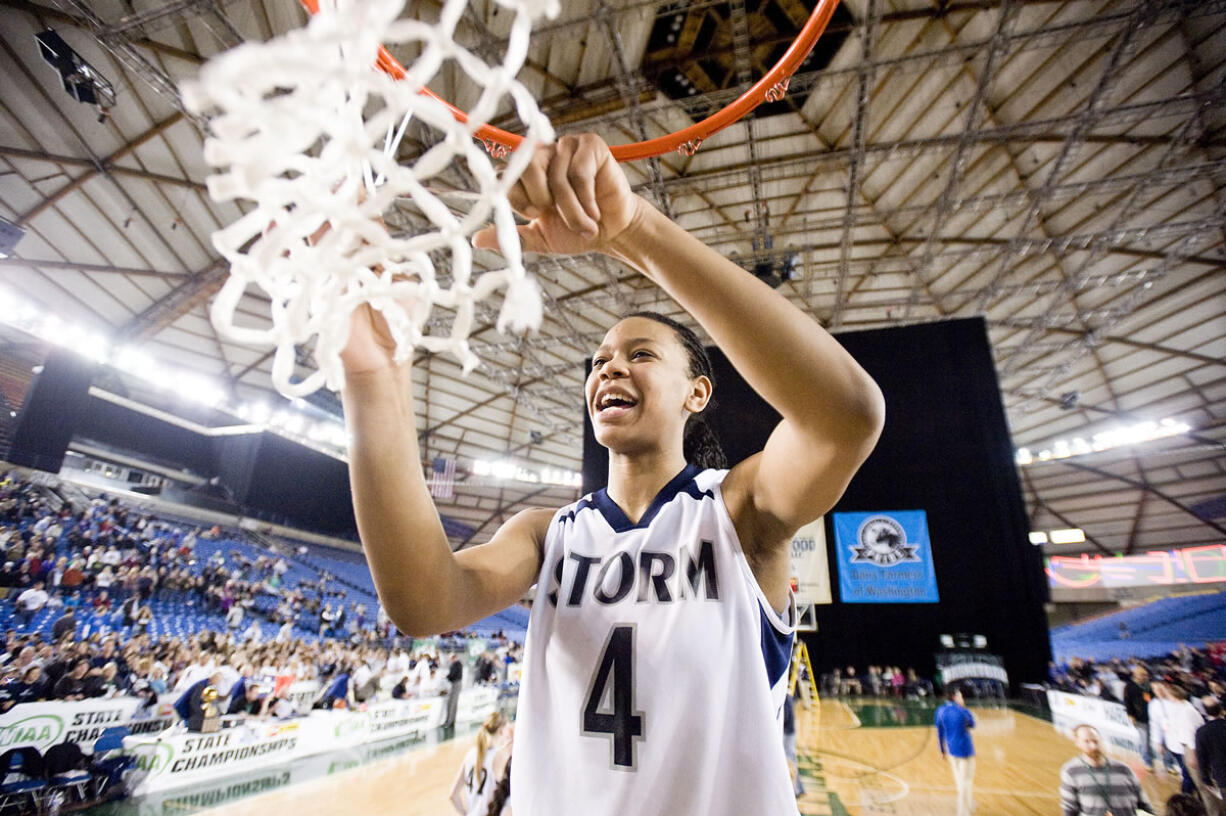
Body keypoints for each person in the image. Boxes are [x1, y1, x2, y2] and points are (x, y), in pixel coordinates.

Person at [340, 133, 884, 815]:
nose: (609, 367)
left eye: (640, 354)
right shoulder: (548, 534)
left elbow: (848, 416)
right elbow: (423, 601)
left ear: (696, 393)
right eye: (598, 361)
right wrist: (373, 377)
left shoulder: (740, 514)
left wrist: (633, 231)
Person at [1059, 723, 1153, 816]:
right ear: (1077, 743)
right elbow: (1070, 810)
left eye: (1096, 741)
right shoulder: (1071, 771)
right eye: (1087, 741)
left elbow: (1144, 804)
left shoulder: (1124, 769)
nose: (1093, 746)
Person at [450, 711, 509, 816]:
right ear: (501, 731)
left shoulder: (470, 754)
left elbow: (453, 795)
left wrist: (465, 813)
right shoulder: (498, 757)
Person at [935, 687, 976, 816]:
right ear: (955, 697)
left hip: (951, 749)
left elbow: (939, 732)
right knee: (967, 780)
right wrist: (965, 710)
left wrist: (942, 750)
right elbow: (972, 724)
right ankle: (964, 811)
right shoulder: (963, 711)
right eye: (960, 696)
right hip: (965, 750)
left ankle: (966, 806)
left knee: (959, 780)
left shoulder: (940, 710)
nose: (962, 699)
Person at [1194, 698, 1226, 815]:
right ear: (1221, 709)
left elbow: (1202, 758)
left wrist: (1205, 779)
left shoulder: (1202, 732)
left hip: (1222, 776)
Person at [1124, 665, 1153, 767]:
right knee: (1144, 741)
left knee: (1150, 739)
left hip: (1152, 717)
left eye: (1146, 675)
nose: (1145, 677)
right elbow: (1127, 702)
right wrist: (1131, 716)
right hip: (1140, 718)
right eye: (1142, 675)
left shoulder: (1148, 685)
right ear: (1136, 675)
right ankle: (1147, 760)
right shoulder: (1129, 686)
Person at [443, 653, 463, 729]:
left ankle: (449, 721)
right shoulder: (457, 664)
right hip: (455, 683)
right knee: (452, 703)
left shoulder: (457, 664)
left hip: (456, 684)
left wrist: (447, 677)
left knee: (452, 703)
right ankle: (451, 721)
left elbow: (453, 674)